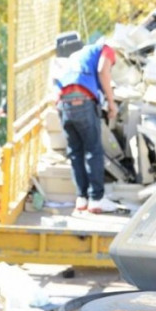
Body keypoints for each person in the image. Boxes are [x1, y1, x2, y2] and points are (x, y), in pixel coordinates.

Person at [53, 40, 120, 214]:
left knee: (75, 152)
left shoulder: (78, 55)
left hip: (64, 103)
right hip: (83, 101)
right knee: (93, 150)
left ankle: (81, 198)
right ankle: (96, 199)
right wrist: (111, 102)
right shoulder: (108, 48)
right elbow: (102, 71)